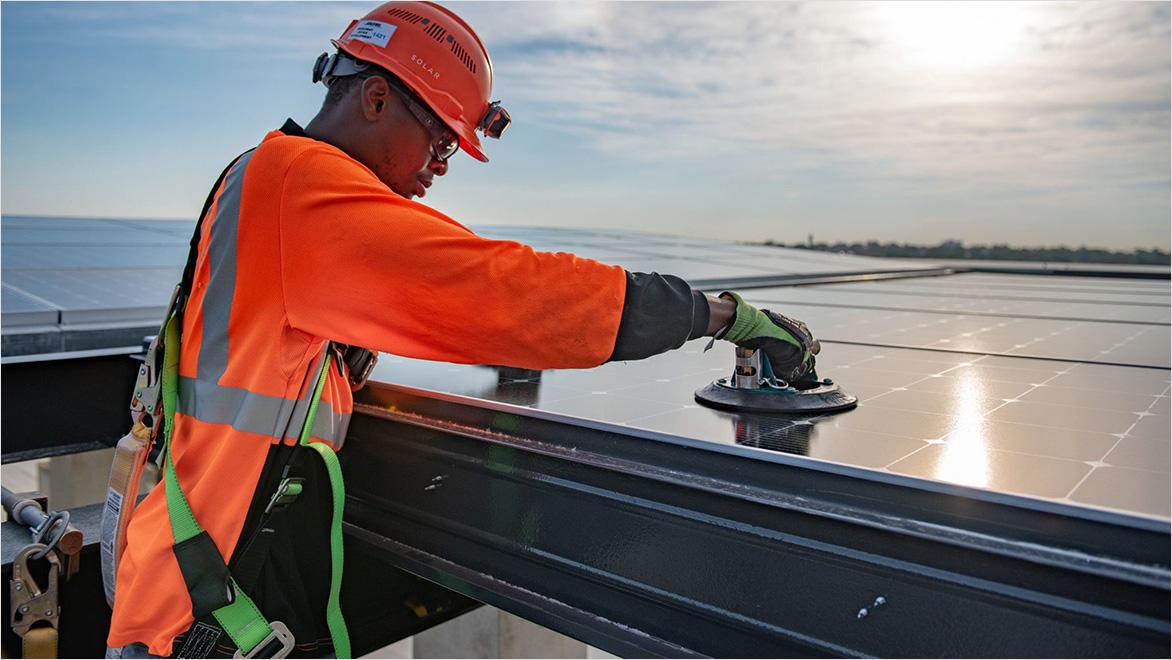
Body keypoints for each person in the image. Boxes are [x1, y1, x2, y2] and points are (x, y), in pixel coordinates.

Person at [104, 2, 819, 658]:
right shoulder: (304, 189)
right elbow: (506, 291)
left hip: (203, 588)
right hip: (203, 618)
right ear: (377, 97)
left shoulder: (263, 178)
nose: (441, 167)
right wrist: (723, 316)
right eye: (440, 141)